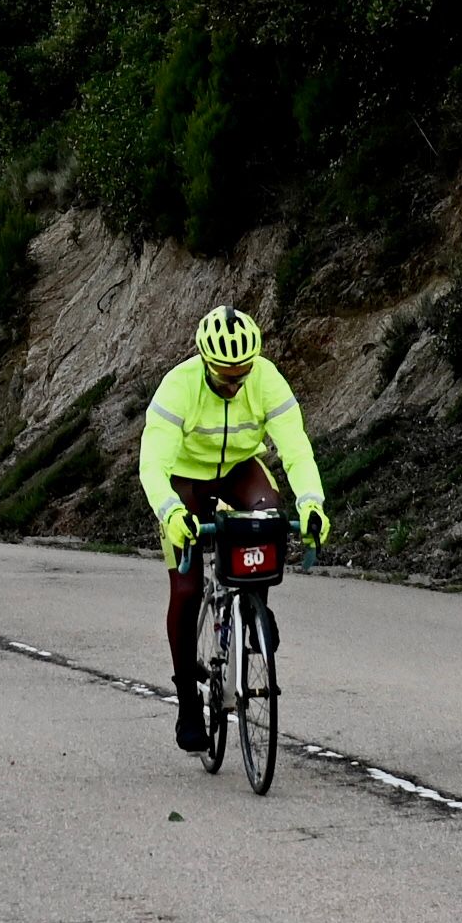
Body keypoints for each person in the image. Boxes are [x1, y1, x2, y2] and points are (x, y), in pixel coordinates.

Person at [138, 304, 328, 752]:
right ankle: (187, 701)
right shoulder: (177, 387)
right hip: (184, 478)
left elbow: (296, 449)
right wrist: (171, 513)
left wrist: (313, 503)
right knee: (185, 591)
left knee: (270, 514)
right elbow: (152, 465)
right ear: (205, 362)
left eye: (241, 372)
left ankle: (256, 605)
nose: (234, 382)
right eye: (224, 373)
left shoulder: (266, 378)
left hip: (239, 467)